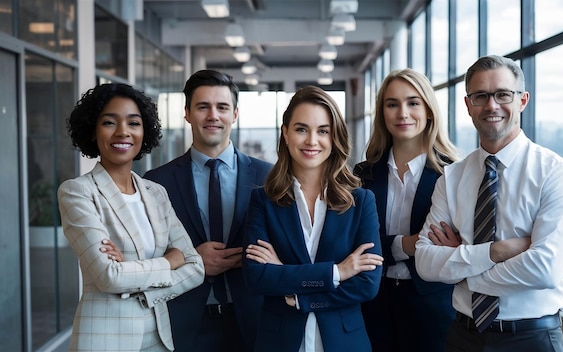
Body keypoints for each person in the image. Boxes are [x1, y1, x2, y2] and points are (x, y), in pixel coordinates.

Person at [414, 55, 563, 352]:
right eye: (480, 96)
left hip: (531, 338)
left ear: (522, 100)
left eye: (503, 94)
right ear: (468, 105)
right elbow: (425, 263)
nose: (491, 105)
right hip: (463, 336)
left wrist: (462, 267)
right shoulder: (452, 178)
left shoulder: (558, 174)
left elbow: (544, 269)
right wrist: (496, 251)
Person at [58, 83, 205, 351]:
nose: (123, 132)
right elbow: (109, 277)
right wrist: (169, 261)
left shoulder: (156, 193)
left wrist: (136, 279)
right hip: (105, 341)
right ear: (92, 130)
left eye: (133, 123)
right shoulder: (78, 192)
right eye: (109, 122)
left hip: (159, 339)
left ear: (144, 130)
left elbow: (196, 268)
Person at [242, 86, 384, 352]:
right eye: (301, 129)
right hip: (279, 342)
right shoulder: (263, 201)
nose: (311, 141)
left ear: (334, 137)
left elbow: (367, 284)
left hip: (344, 342)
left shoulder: (361, 201)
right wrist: (337, 272)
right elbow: (257, 277)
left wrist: (297, 292)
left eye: (323, 131)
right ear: (285, 134)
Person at [144, 69, 273, 352]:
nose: (213, 115)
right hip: (184, 321)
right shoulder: (156, 183)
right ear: (188, 113)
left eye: (222, 107)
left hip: (254, 319)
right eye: (203, 107)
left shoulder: (271, 177)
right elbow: (148, 254)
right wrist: (193, 258)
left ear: (235, 114)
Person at [353, 68, 459, 352]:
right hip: (372, 301)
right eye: (392, 104)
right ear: (382, 113)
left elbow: (458, 248)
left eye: (413, 102)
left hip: (433, 306)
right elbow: (357, 247)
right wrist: (410, 244)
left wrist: (390, 247)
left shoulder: (453, 174)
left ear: (428, 110)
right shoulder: (363, 175)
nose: (403, 113)